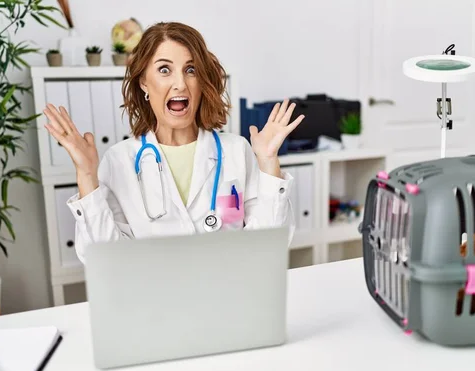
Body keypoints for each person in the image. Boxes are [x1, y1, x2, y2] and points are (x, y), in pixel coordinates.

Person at [43, 22, 304, 264]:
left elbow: (271, 245)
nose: (180, 83)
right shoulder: (119, 160)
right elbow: (104, 259)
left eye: (190, 70)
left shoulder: (236, 150)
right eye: (164, 70)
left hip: (226, 296)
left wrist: (269, 162)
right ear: (144, 81)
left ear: (202, 82)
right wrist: (87, 175)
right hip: (156, 304)